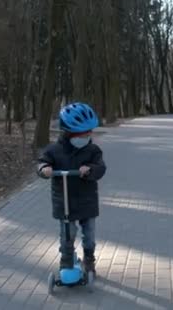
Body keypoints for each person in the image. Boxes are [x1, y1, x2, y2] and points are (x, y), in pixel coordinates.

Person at [37, 102, 106, 274]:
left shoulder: (93, 150)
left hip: (87, 201)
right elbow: (42, 162)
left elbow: (100, 167)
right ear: (70, 132)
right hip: (65, 202)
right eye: (85, 132)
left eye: (90, 132)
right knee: (67, 236)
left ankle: (89, 260)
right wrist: (44, 169)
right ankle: (66, 260)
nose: (89, 135)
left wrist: (90, 169)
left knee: (89, 236)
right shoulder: (54, 150)